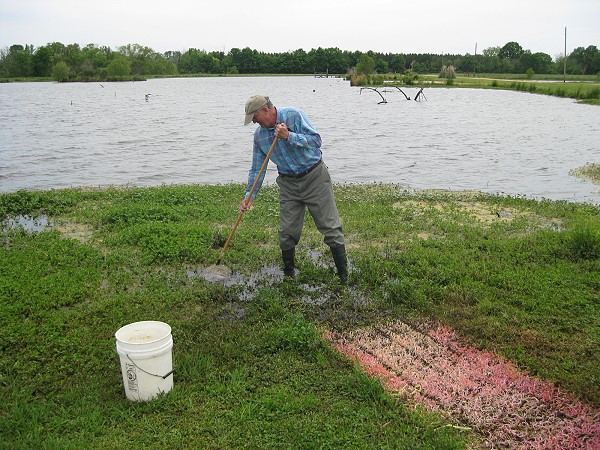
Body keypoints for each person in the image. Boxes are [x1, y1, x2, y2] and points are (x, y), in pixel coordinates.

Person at [240, 95, 348, 284]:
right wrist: (249, 196)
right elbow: (258, 169)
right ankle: (289, 275)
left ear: (266, 110)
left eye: (255, 117)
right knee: (287, 231)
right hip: (288, 184)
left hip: (314, 177)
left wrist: (289, 136)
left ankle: (344, 277)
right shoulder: (259, 136)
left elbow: (316, 141)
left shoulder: (293, 115)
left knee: (330, 228)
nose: (254, 122)